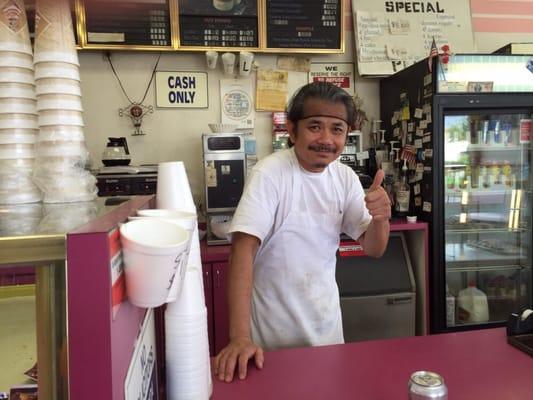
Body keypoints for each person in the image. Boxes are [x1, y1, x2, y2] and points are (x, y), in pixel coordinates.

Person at [213, 82, 391, 383]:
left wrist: (381, 218)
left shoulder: (344, 177)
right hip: (270, 344)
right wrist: (239, 338)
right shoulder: (270, 174)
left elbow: (374, 248)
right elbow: (242, 251)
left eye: (337, 129)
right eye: (315, 127)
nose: (326, 139)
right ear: (293, 131)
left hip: (327, 335)